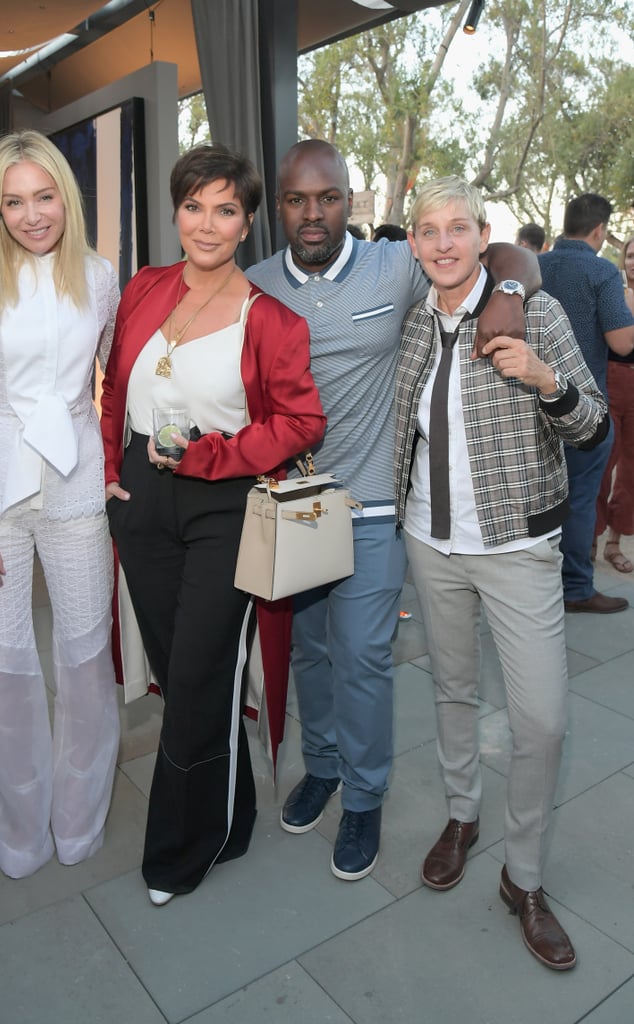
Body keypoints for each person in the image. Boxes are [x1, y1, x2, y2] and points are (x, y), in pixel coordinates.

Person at [246, 138, 541, 882]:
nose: (313, 214)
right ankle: (324, 765)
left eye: (328, 197)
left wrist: (510, 294)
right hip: (290, 506)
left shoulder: (395, 264)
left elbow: (502, 255)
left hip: (373, 504)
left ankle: (367, 796)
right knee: (309, 652)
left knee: (365, 657)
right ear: (279, 205)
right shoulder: (252, 285)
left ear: (351, 200)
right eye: (296, 199)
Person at [100, 143, 325, 906]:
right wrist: (109, 472)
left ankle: (177, 852)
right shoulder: (144, 288)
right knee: (185, 675)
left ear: (248, 222)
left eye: (224, 209)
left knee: (196, 675)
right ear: (176, 211)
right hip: (139, 502)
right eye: (194, 205)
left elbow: (301, 420)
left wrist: (213, 455)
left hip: (222, 505)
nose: (206, 222)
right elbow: (113, 389)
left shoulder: (272, 320)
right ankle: (232, 816)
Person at [395, 175, 608, 970]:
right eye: (428, 230)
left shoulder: (536, 313)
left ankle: (525, 878)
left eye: (458, 228)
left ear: (482, 235)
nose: (444, 243)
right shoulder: (414, 324)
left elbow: (594, 426)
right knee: (451, 688)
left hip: (518, 549)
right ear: (413, 244)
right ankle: (461, 814)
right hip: (429, 542)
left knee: (542, 719)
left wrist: (546, 382)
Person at [0, 130, 121, 879]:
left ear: (65, 199)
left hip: (75, 488)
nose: (32, 215)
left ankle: (77, 819)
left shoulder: (101, 277)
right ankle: (21, 823)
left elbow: (116, 380)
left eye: (44, 197)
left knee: (82, 659)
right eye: (14, 202)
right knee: (1, 666)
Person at [539, 194, 634, 612]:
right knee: (579, 499)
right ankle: (575, 588)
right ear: (598, 230)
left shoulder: (534, 265)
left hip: (531, 402)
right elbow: (622, 341)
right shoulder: (601, 271)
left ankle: (536, 586)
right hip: (582, 408)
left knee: (540, 497)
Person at [594, 235, 634, 573]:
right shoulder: (614, 290)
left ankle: (614, 543)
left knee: (631, 470)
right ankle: (589, 541)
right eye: (631, 255)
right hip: (612, 376)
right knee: (603, 463)